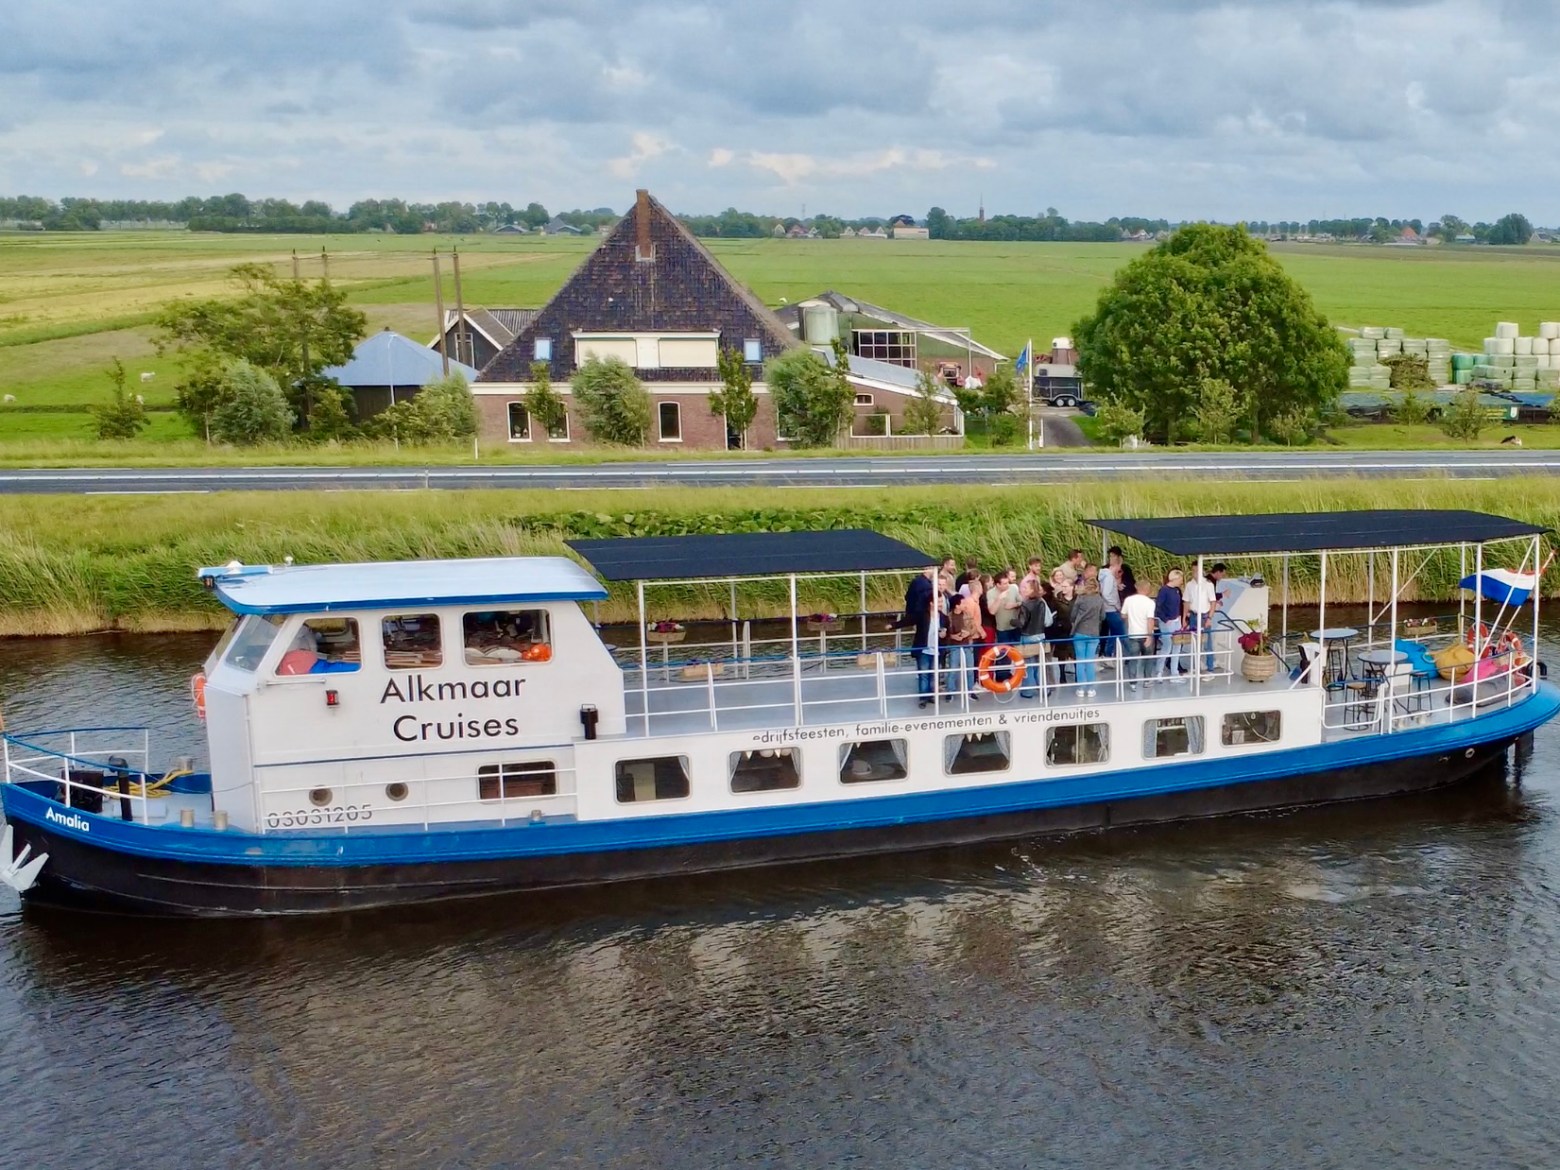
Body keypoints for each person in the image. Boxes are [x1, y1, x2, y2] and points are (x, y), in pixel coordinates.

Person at [904, 567, 940, 706]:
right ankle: (924, 697)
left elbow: (907, 597)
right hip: (925, 646)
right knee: (925, 672)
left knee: (930, 673)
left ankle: (929, 695)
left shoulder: (941, 617)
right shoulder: (924, 586)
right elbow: (910, 618)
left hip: (934, 646)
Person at [945, 584, 983, 701]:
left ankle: (970, 691)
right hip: (954, 646)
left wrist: (968, 633)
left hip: (967, 645)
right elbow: (944, 632)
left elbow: (973, 627)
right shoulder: (948, 617)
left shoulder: (967, 615)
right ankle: (950, 692)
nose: (965, 605)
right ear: (957, 605)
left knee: (970, 669)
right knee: (952, 669)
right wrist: (952, 636)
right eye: (963, 603)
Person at [1017, 578, 1051, 700]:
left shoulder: (1025, 604)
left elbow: (1022, 623)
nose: (1023, 590)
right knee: (1039, 665)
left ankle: (1028, 691)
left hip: (1028, 637)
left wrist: (1012, 621)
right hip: (1040, 635)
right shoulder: (1041, 602)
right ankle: (1044, 689)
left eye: (1025, 588)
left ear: (1031, 590)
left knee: (1028, 666)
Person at [1070, 578, 1104, 699]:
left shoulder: (1081, 598)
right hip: (1094, 633)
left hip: (1079, 632)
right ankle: (1090, 689)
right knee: (1090, 661)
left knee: (1080, 661)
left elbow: (1073, 615)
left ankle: (1080, 689)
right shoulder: (1099, 600)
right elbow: (1103, 616)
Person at [1183, 563, 1219, 674]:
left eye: (1197, 570)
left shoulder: (1208, 585)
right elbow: (1186, 602)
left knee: (1207, 643)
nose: (1195, 573)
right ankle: (1196, 667)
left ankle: (1210, 669)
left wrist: (1210, 617)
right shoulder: (1189, 585)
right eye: (1193, 570)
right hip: (1193, 616)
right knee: (1194, 643)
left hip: (1204, 616)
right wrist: (1184, 618)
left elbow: (1213, 602)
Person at [1121, 580, 1157, 690]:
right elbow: (1150, 620)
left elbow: (1123, 615)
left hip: (1133, 634)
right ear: (1147, 589)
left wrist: (1130, 620)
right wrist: (1149, 635)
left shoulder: (1128, 600)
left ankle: (1132, 683)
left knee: (1133, 659)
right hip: (1145, 634)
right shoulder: (1150, 602)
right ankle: (1147, 680)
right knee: (1148, 658)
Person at [1155, 568, 1186, 681]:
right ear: (1175, 578)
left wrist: (1179, 617)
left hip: (1176, 621)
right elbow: (1158, 607)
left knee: (1177, 646)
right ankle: (1159, 671)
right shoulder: (1164, 590)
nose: (1182, 581)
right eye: (1181, 579)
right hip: (1167, 622)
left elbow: (1178, 605)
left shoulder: (1176, 590)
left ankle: (1174, 672)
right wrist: (1165, 619)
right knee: (1167, 647)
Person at [1045, 576, 1072, 689]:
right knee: (1061, 653)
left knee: (1072, 653)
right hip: (1060, 629)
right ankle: (1062, 675)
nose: (1063, 588)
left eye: (1066, 586)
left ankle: (1076, 678)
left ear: (1072, 587)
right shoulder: (1057, 600)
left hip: (1073, 628)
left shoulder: (1077, 599)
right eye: (1062, 586)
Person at [1099, 553, 1125, 662]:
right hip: (1111, 609)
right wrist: (1116, 605)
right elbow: (1106, 593)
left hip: (1109, 609)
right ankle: (1128, 656)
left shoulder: (1105, 576)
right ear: (1116, 565)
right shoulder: (1109, 577)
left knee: (1114, 634)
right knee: (1121, 633)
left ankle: (1108, 655)